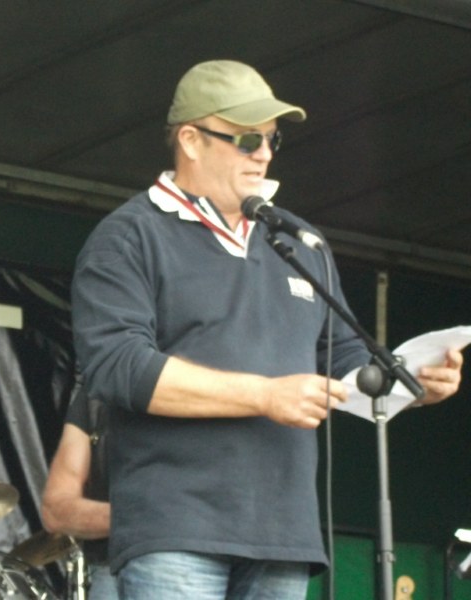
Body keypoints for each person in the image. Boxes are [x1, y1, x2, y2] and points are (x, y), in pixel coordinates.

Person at [70, 60, 463, 599]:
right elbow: (118, 367)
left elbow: (344, 359)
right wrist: (264, 395)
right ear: (190, 140)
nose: (264, 154)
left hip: (284, 533)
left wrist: (411, 380)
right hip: (176, 528)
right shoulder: (129, 236)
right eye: (247, 138)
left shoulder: (298, 242)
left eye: (272, 138)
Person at [42, 377, 118, 600]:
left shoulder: (202, 381)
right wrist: (141, 519)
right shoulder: (95, 395)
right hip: (111, 570)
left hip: (200, 562)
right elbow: (56, 509)